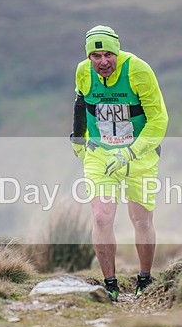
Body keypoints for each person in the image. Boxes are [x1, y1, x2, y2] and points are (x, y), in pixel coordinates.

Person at [70, 25, 169, 302]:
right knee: (101, 216)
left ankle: (145, 279)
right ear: (89, 57)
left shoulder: (138, 70)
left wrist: (130, 153)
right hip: (100, 154)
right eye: (96, 56)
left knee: (141, 218)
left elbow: (159, 120)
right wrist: (77, 139)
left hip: (140, 156)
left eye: (108, 55)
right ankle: (110, 284)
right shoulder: (83, 71)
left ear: (117, 51)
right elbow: (81, 103)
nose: (103, 62)